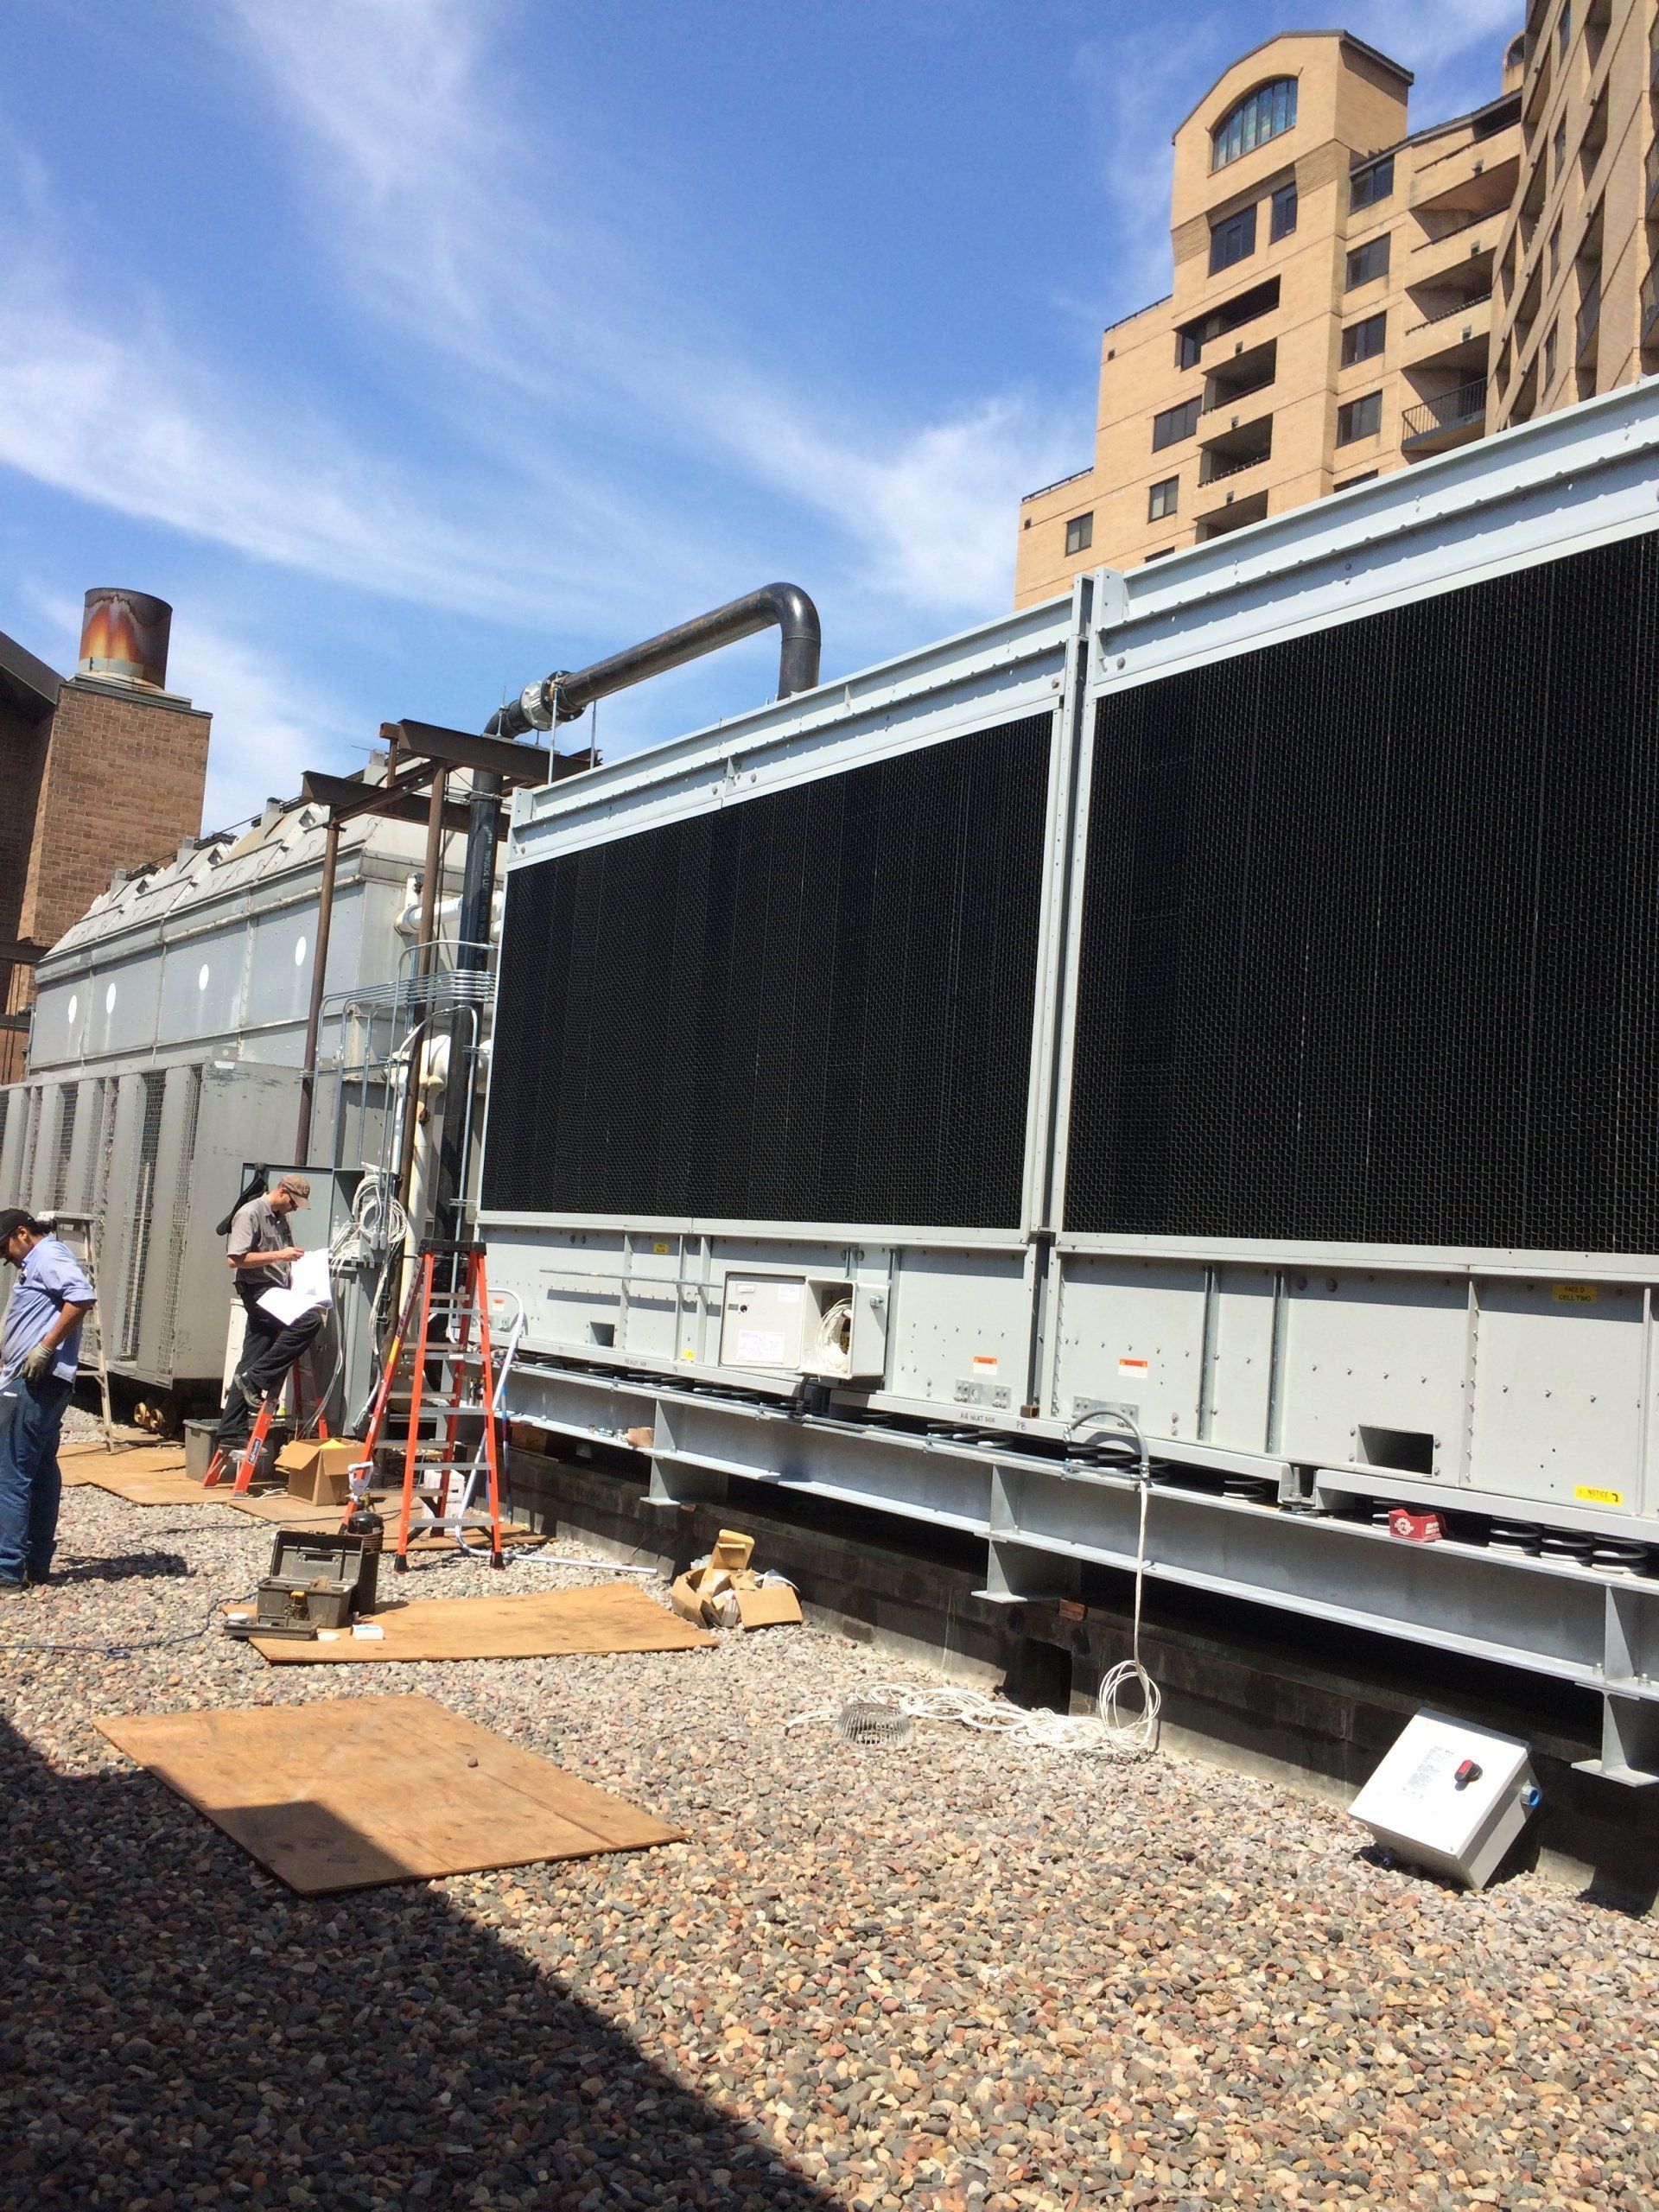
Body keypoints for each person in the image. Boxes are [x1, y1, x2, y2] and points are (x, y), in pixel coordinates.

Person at [0, 1209, 97, 1595]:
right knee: (39, 1472)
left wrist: (44, 1347)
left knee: (11, 1475)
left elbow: (81, 1296)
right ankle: (37, 1564)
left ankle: (7, 1569)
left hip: (33, 1382)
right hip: (41, 1381)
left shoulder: (48, 1256)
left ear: (22, 1233)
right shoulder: (37, 1262)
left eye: (4, 1247)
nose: (5, 1257)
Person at [212, 1173, 325, 1452]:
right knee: (309, 1321)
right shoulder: (250, 1213)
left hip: (274, 1290)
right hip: (259, 1291)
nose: (295, 1208)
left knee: (252, 1355)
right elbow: (235, 1259)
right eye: (294, 1203)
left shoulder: (279, 1217)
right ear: (283, 1192)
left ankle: (230, 1430)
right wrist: (280, 1255)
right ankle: (256, 1380)